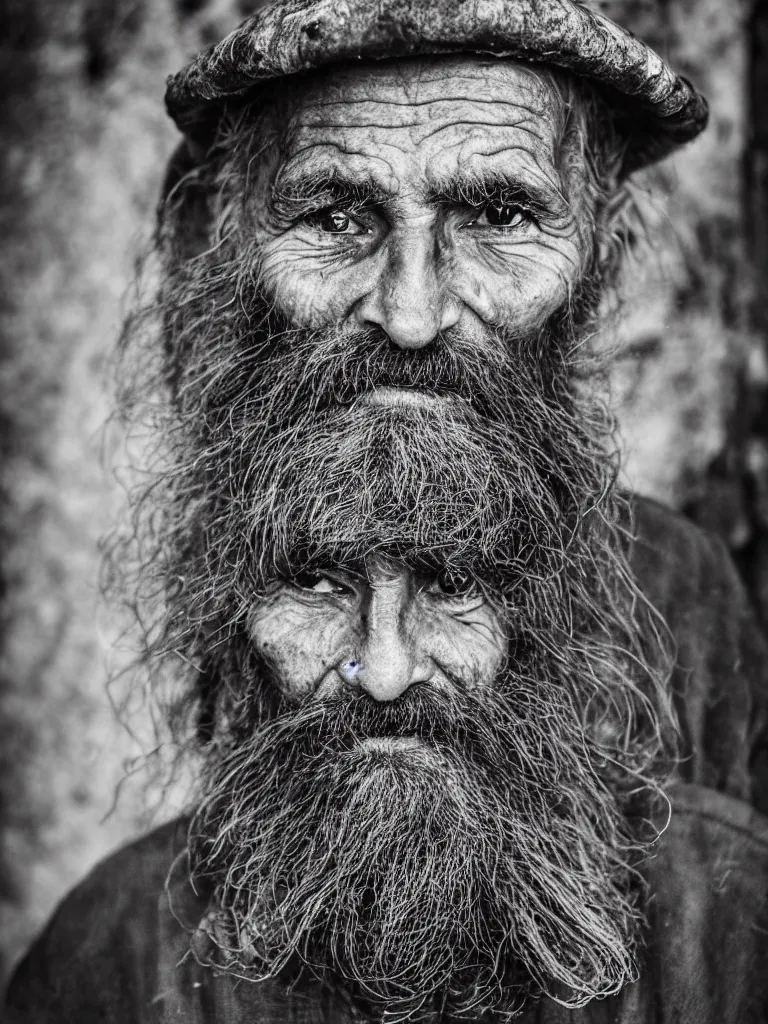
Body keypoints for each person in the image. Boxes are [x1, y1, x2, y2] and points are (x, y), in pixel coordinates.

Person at [5, 0, 768, 1020]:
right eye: (334, 217)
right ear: (234, 250)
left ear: (600, 255)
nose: (411, 314)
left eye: (498, 216)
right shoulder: (119, 953)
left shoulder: (675, 597)